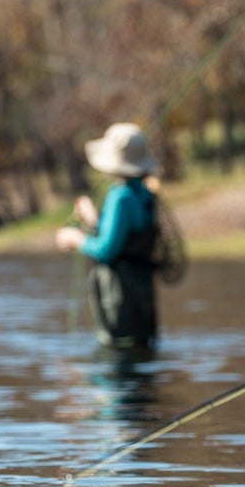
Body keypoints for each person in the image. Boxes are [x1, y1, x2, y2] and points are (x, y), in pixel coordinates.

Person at [57, 122, 166, 350]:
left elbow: (107, 250)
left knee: (119, 354)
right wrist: (92, 218)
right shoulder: (143, 192)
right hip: (142, 293)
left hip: (120, 298)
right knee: (140, 351)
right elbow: (127, 238)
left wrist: (75, 238)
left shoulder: (121, 196)